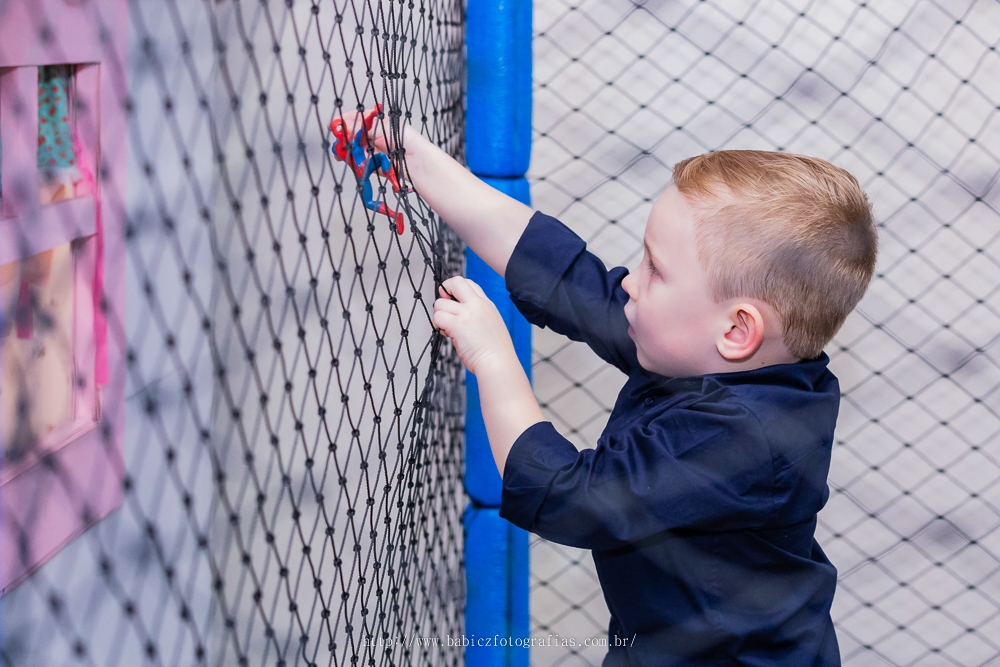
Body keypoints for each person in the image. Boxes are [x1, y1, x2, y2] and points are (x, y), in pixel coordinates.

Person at [358, 110, 878, 666]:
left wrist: (492, 357)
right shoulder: (707, 352)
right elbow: (566, 280)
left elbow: (569, 497)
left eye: (655, 268)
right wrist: (420, 163)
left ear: (736, 330)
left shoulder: (744, 435)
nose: (631, 278)